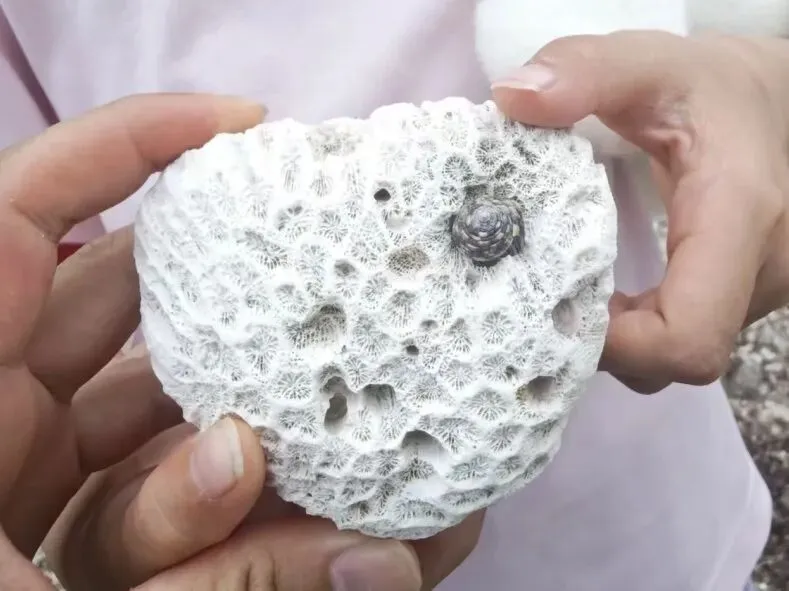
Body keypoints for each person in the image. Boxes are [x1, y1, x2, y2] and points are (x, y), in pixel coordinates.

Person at [1, 2, 788, 590]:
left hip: (643, 505)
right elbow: (49, 276)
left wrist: (759, 80)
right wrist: (58, 491)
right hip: (229, 479)